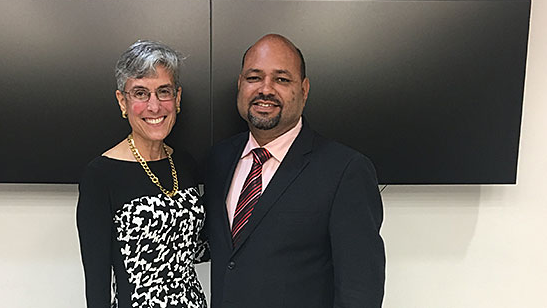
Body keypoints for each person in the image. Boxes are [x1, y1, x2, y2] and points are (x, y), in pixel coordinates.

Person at [203, 34, 385, 308]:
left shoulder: (346, 171)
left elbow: (360, 291)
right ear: (240, 85)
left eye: (281, 79)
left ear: (304, 89)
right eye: (254, 77)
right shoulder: (218, 159)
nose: (265, 89)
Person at [77, 40, 208, 308]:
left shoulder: (185, 163)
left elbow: (198, 247)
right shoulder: (100, 175)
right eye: (140, 93)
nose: (154, 106)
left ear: (178, 98)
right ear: (122, 101)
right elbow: (97, 280)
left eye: (163, 92)